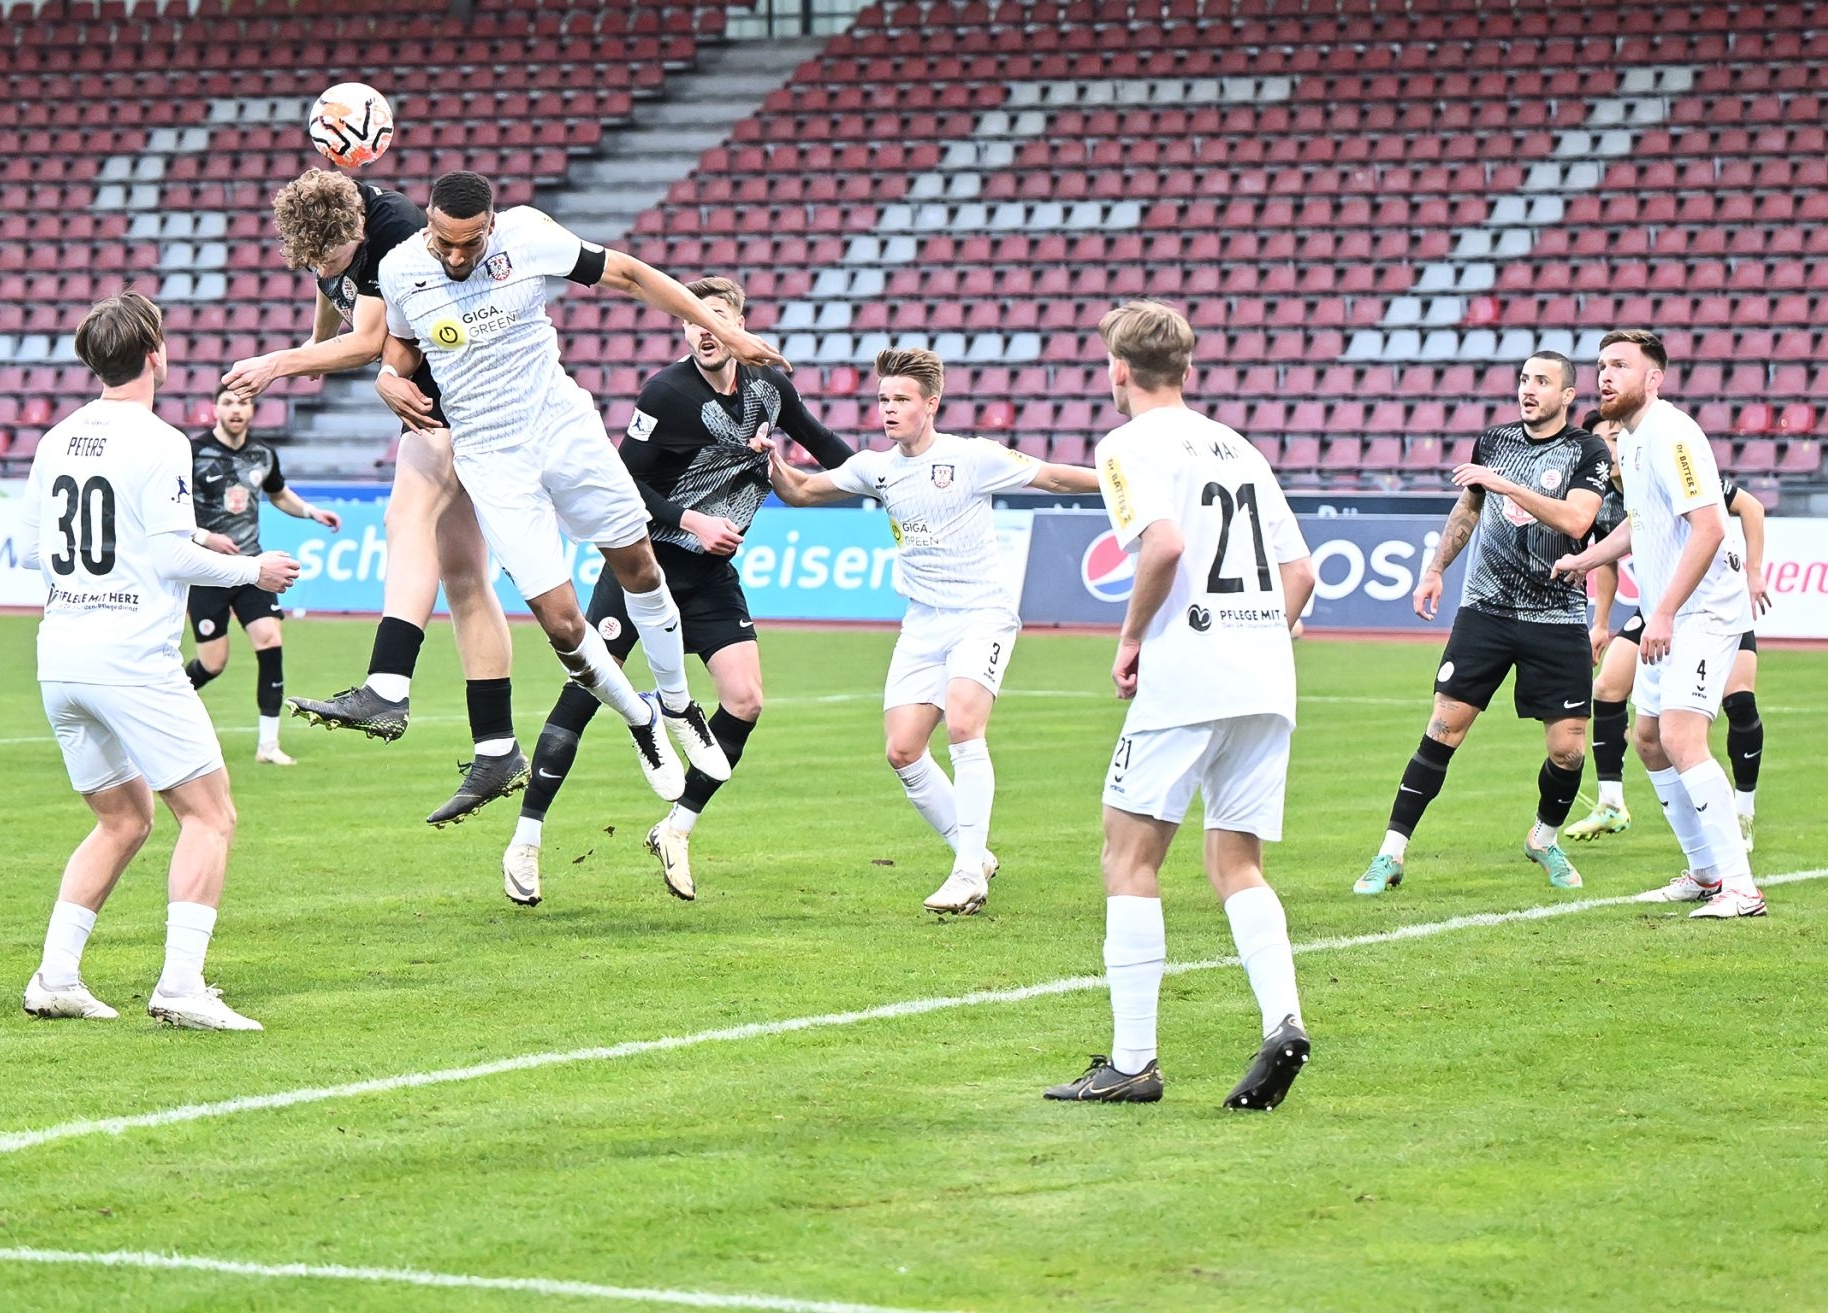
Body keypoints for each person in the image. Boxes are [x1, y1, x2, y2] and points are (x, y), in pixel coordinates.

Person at [367, 171, 793, 805]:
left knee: (641, 570)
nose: (456, 257)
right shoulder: (401, 269)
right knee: (563, 627)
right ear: (428, 223)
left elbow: (631, 275)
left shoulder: (529, 235)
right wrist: (386, 378)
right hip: (489, 456)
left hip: (562, 428)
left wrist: (723, 330)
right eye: (444, 242)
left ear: (492, 225)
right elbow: (401, 349)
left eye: (471, 244)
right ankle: (643, 719)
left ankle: (678, 706)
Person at [502, 276, 855, 906]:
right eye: (693, 318)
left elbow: (828, 449)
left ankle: (676, 826)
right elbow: (622, 485)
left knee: (744, 699)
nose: (702, 329)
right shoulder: (665, 393)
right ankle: (525, 842)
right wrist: (692, 520)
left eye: (716, 317)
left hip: (710, 577)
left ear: (738, 324)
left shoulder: (770, 389)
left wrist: (892, 478)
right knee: (585, 690)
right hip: (642, 565)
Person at [1043, 300, 1316, 1108]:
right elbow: (1300, 573)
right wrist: (1268, 630)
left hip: (1188, 669)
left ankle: (1133, 1062)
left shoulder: (1127, 443)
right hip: (1264, 674)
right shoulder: (1240, 446)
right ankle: (1284, 1019)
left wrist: (1130, 638)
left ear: (1117, 370)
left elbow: (1163, 543)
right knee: (1237, 862)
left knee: (1128, 858)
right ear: (1188, 369)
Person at [17, 291, 300, 1030]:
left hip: (61, 655)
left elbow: (32, 547)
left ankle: (55, 975)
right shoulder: (162, 439)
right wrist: (253, 571)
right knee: (210, 815)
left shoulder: (56, 438)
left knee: (123, 819)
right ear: (156, 355)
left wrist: (191, 543)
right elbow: (167, 550)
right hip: (131, 659)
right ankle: (180, 985)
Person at [220, 169, 523, 825]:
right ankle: (497, 746)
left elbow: (364, 341)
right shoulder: (328, 233)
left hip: (469, 390)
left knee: (404, 512)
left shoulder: (396, 234)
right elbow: (332, 303)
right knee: (466, 575)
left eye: (332, 258)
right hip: (446, 391)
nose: (324, 269)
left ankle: (387, 686)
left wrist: (278, 363)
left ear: (355, 228)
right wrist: (307, 346)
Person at [767, 347, 1100, 914]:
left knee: (965, 727)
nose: (889, 410)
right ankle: (973, 852)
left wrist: (1126, 487)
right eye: (883, 400)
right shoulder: (875, 468)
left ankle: (967, 870)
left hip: (981, 615)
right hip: (922, 621)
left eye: (901, 400)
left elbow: (1053, 478)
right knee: (902, 751)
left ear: (931, 404)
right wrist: (770, 459)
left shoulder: (972, 458)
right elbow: (799, 492)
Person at [1353, 353, 1612, 896]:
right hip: (1486, 610)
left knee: (1568, 750)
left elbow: (1578, 520)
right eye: (1523, 380)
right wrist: (1434, 569)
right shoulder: (1493, 440)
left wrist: (1505, 485)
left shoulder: (1586, 450)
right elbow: (1468, 510)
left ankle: (1543, 838)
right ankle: (1389, 854)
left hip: (1556, 615)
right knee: (1443, 727)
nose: (1528, 389)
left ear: (1568, 395)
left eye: (1542, 381)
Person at [1554, 331, 1763, 918]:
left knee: (1679, 736)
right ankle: (1704, 874)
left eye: (1621, 365)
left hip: (1704, 611)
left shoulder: (1673, 435)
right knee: (1647, 741)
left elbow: (1711, 527)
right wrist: (1585, 559)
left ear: (1654, 378)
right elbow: (1641, 527)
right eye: (1601, 366)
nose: (1606, 376)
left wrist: (1664, 612)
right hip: (1671, 611)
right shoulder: (1634, 438)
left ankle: (1742, 888)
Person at [1568, 414, 1772, 848]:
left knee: (1736, 703)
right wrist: (1600, 623)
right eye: (1601, 442)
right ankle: (1611, 800)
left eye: (1613, 438)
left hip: (1712, 603)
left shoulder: (1667, 465)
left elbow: (1749, 509)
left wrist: (1754, 572)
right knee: (1609, 690)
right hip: (1661, 606)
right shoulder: (1602, 498)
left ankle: (1744, 809)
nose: (1609, 450)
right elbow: (1607, 556)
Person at [183, 384, 341, 766]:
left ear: (253, 410)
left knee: (270, 639)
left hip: (253, 569)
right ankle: (149, 708)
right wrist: (206, 537)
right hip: (207, 569)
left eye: (243, 402)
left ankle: (268, 746)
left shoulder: (262, 454)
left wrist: (310, 512)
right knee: (212, 663)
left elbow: (279, 492)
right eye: (228, 402)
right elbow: (169, 508)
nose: (236, 409)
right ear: (215, 408)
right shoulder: (192, 453)